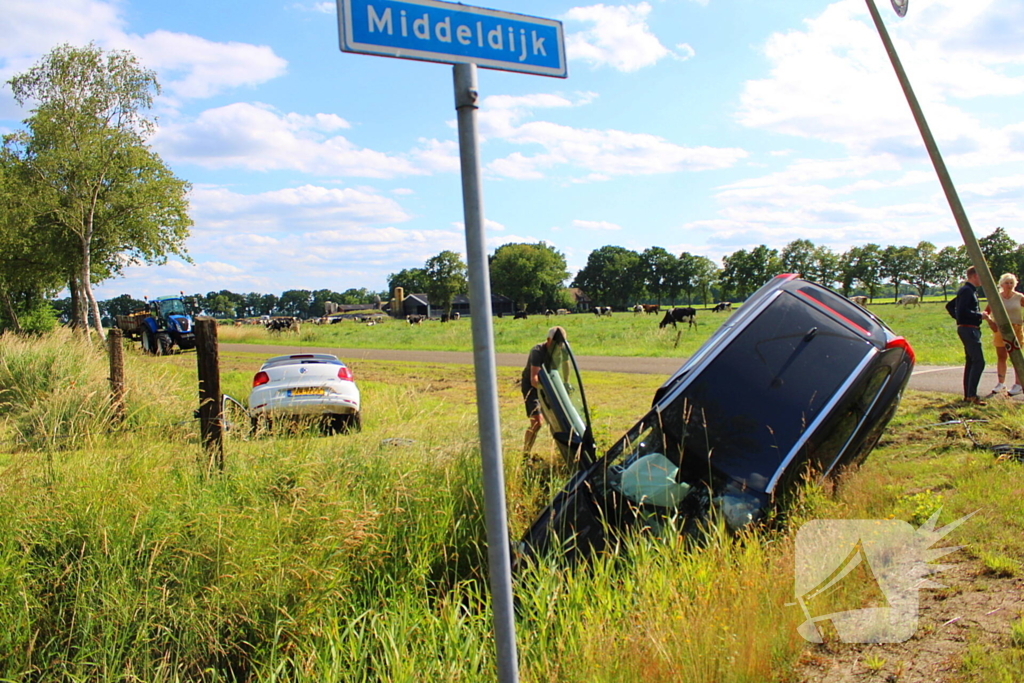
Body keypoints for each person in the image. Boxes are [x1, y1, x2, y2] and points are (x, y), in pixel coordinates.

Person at [521, 326, 567, 457]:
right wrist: (549, 391)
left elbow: (566, 364)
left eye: (561, 343)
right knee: (537, 422)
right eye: (556, 343)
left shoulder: (561, 348)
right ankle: (526, 453)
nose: (559, 346)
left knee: (559, 420)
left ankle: (564, 453)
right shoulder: (537, 351)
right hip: (532, 387)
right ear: (548, 340)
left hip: (549, 385)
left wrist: (567, 382)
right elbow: (534, 379)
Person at [955, 266, 993, 405]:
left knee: (972, 362)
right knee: (979, 361)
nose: (983, 279)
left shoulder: (969, 290)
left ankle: (969, 395)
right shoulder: (966, 291)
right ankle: (971, 395)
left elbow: (951, 307)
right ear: (974, 276)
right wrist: (980, 315)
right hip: (968, 329)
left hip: (969, 328)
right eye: (981, 275)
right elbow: (962, 311)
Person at [985, 272, 1024, 395]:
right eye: (1006, 283)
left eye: (1011, 283)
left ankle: (1018, 384)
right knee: (1001, 356)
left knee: (1016, 356)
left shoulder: (1019, 297)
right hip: (1001, 329)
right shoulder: (996, 297)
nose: (1009, 285)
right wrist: (991, 322)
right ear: (1001, 284)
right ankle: (1001, 383)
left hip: (1016, 328)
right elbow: (986, 311)